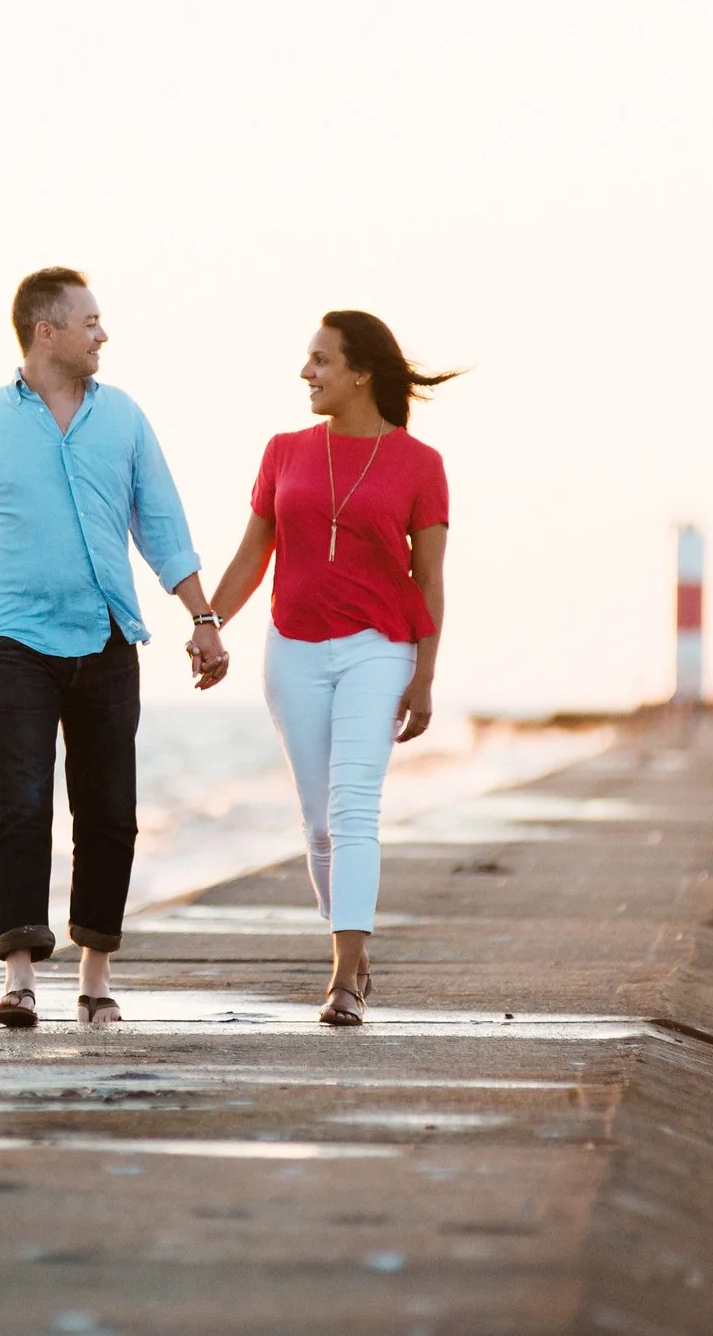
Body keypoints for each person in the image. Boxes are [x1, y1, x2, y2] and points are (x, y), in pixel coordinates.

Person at [0, 267, 229, 1029]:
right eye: (90, 321)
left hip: (105, 636)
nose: (103, 334)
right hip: (16, 641)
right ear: (46, 331)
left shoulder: (124, 418)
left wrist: (203, 619)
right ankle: (20, 976)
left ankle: (94, 975)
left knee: (109, 813)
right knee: (22, 804)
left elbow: (161, 527)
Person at [204, 311, 455, 1026]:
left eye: (320, 361)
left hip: (381, 646)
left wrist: (425, 674)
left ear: (360, 372)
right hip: (294, 648)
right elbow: (254, 554)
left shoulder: (420, 465)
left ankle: (344, 977)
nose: (307, 374)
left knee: (353, 809)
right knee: (318, 825)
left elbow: (430, 579)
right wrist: (209, 624)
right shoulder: (284, 451)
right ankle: (353, 949)